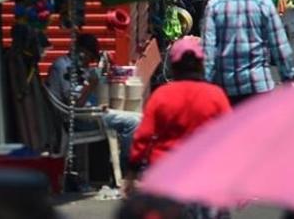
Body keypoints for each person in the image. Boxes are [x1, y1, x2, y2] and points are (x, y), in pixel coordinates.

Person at [202, 0, 294, 105]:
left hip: (226, 87)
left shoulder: (214, 5)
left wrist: (206, 84)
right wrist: (288, 78)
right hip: (259, 84)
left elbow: (208, 51)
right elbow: (280, 46)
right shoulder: (264, 3)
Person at [129, 36, 231, 169]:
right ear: (201, 64)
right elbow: (230, 133)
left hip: (165, 168)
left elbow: (143, 136)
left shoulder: (162, 95)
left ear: (174, 66)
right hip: (205, 167)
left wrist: (133, 167)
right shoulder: (216, 95)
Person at [47, 33, 141, 162]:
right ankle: (128, 166)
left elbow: (81, 96)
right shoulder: (64, 67)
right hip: (76, 120)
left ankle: (126, 162)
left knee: (139, 117)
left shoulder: (76, 67)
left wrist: (96, 105)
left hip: (88, 114)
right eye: (89, 58)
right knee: (133, 122)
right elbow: (75, 105)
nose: (89, 63)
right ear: (81, 52)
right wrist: (91, 85)